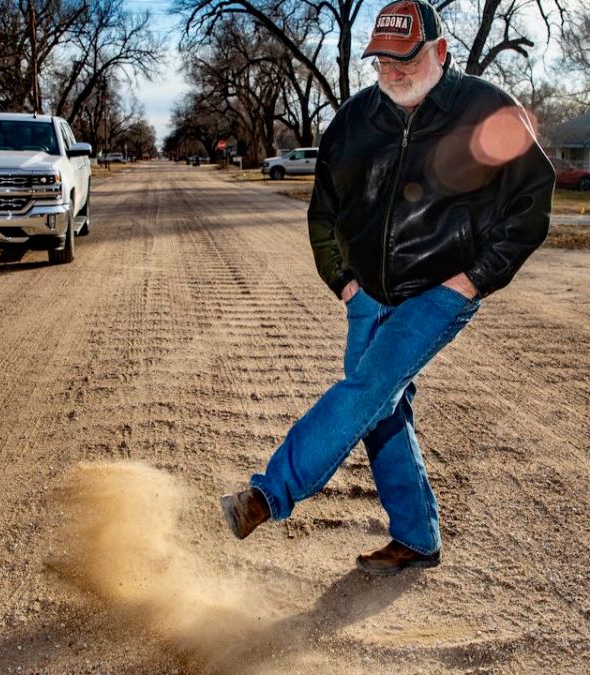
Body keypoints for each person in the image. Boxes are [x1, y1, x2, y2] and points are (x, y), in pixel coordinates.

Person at [220, 0, 555, 576]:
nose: (393, 74)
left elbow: (531, 206)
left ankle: (266, 496)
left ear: (441, 53)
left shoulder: (486, 110)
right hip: (367, 293)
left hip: (439, 290)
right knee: (381, 408)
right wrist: (345, 283)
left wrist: (472, 279)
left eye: (406, 60)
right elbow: (323, 210)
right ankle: (418, 537)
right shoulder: (355, 120)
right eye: (383, 63)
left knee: (367, 386)